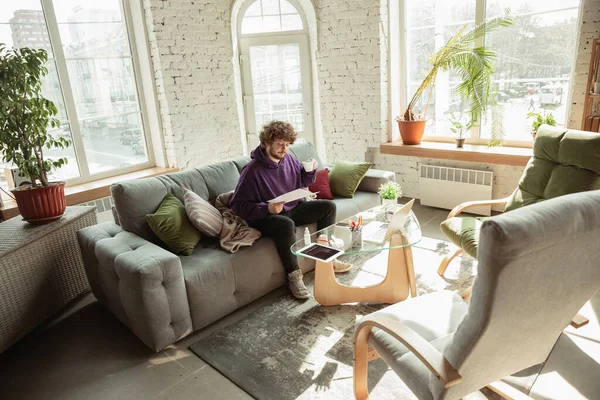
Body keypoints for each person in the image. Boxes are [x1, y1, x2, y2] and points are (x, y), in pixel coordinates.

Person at [230, 121, 349, 299]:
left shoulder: (288, 158)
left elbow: (302, 180)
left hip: (292, 207)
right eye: (279, 144)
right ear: (266, 143)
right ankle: (294, 276)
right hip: (267, 216)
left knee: (328, 207)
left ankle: (325, 257)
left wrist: (310, 171)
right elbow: (238, 206)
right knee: (285, 223)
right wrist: (267, 208)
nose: (284, 149)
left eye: (287, 144)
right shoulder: (251, 171)